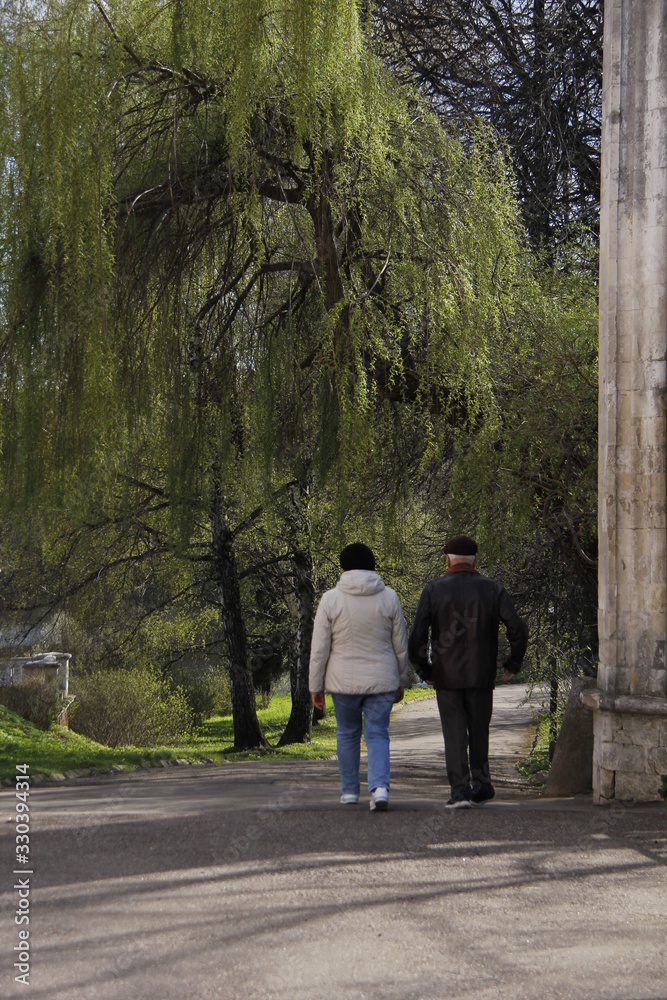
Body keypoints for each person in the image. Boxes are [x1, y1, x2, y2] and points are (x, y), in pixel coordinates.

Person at [408, 535, 528, 809]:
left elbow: (416, 637)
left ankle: (460, 791)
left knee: (455, 733)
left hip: (446, 676)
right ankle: (482, 785)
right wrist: (513, 663)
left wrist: (425, 670)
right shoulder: (492, 589)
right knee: (479, 730)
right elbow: (517, 628)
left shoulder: (433, 590)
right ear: (475, 562)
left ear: (447, 560)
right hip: (481, 674)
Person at [309, 543, 409, 811]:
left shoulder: (330, 599)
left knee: (347, 733)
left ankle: (350, 791)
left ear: (343, 567)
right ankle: (379, 788)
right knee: (377, 733)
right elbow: (400, 645)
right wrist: (401, 680)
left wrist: (315, 686)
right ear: (372, 566)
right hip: (382, 680)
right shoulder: (390, 597)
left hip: (343, 682)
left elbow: (319, 649)